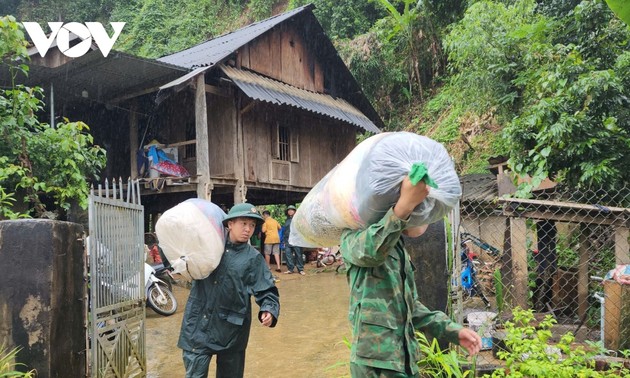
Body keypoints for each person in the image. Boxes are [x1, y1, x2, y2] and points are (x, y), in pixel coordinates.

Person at [340, 177, 482, 377]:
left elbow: (412, 308)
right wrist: (404, 206)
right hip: (375, 366)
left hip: (405, 361)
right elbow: (371, 251)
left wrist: (453, 331)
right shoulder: (353, 236)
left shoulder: (399, 249)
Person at [178, 203, 280, 378]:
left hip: (232, 330)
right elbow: (180, 254)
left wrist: (268, 309)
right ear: (230, 224)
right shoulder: (209, 246)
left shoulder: (253, 258)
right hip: (198, 324)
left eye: (252, 225)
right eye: (244, 223)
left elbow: (267, 290)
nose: (248, 229)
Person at [282, 205, 305, 275]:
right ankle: (290, 269)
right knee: (288, 255)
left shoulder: (298, 219)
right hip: (287, 241)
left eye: (292, 210)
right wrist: (283, 241)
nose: (290, 211)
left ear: (295, 211)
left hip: (296, 240)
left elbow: (302, 229)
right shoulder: (286, 220)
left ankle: (300, 269)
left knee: (299, 255)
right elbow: (284, 231)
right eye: (289, 210)